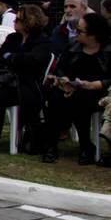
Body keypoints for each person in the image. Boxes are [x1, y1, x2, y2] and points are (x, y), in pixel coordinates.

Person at [0, 5, 51, 153]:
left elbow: (33, 61)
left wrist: (11, 58)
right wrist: (12, 59)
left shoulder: (42, 41)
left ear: (29, 21)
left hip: (27, 86)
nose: (14, 22)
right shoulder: (13, 38)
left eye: (18, 19)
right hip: (5, 81)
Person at [42, 12, 111, 164]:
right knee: (55, 98)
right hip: (72, 88)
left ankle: (85, 145)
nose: (76, 33)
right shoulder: (73, 45)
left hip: (100, 92)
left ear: (93, 35)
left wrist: (97, 84)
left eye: (80, 31)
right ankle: (51, 145)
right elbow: (60, 68)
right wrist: (64, 80)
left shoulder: (108, 50)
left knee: (79, 99)